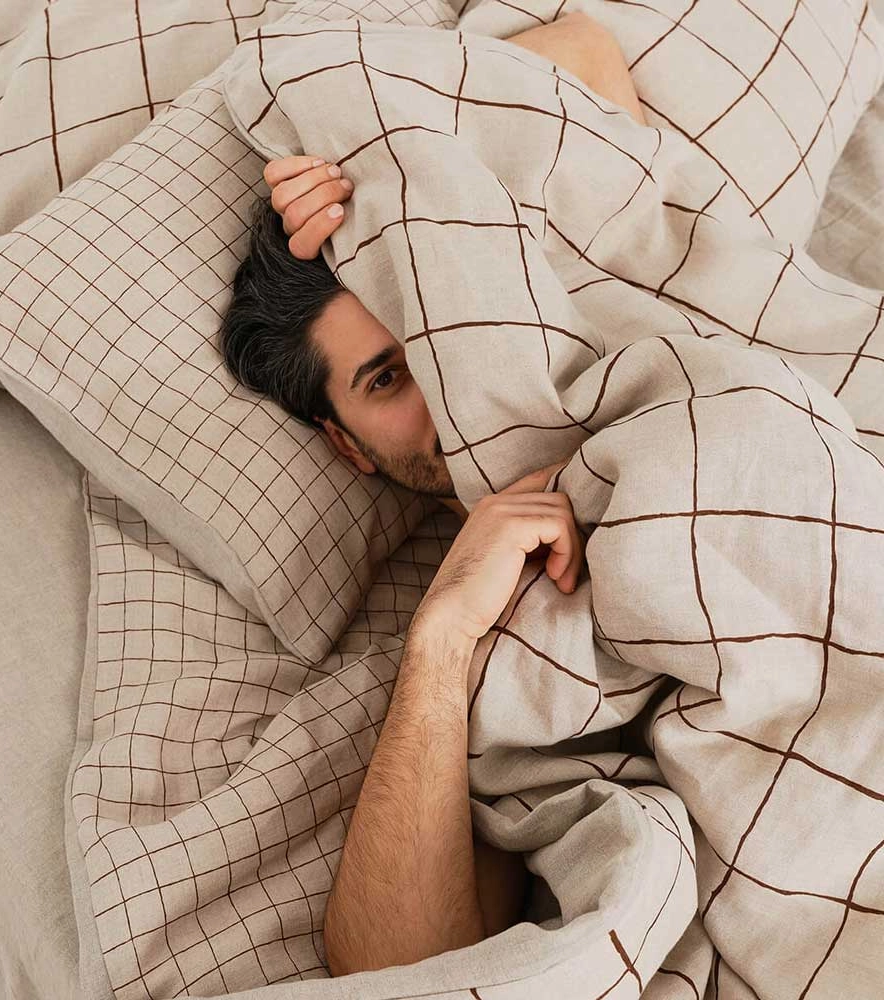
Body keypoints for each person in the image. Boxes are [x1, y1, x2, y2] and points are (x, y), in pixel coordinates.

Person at [220, 13, 648, 977]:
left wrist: (382, 156)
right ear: (348, 445)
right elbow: (389, 966)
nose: (446, 374)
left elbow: (584, 51)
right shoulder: (484, 644)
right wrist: (445, 637)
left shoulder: (582, 292)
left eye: (440, 321)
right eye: (387, 378)